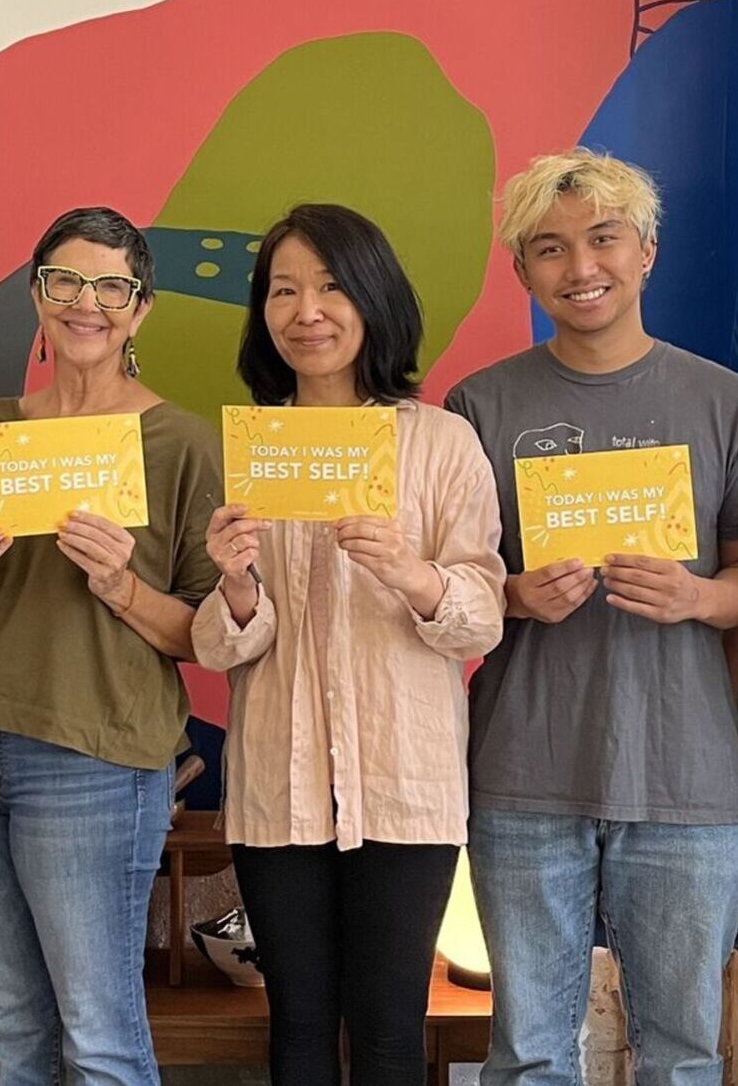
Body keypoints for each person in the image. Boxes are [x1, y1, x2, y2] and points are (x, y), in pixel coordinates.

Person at [444, 148, 738, 1086]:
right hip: (523, 769)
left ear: (647, 252)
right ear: (522, 270)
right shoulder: (480, 406)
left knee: (682, 1056)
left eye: (604, 239)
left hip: (687, 776)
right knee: (529, 1056)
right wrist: (515, 594)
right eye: (550, 248)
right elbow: (455, 583)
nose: (581, 267)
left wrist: (697, 596)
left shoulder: (727, 404)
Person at [192, 204, 506, 1086]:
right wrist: (237, 584)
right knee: (295, 1025)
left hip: (405, 784)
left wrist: (410, 573)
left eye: (330, 286)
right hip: (278, 784)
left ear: (374, 297)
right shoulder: (252, 449)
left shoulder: (440, 442)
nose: (306, 311)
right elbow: (220, 646)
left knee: (390, 1030)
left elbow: (483, 616)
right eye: (282, 290)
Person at [0, 206, 221, 1085]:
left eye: (111, 287)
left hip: (96, 759)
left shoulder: (181, 442)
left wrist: (121, 586)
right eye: (66, 282)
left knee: (98, 1031)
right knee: (9, 1021)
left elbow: (211, 636)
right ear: (38, 294)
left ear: (141, 308)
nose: (87, 303)